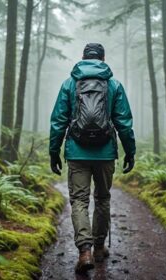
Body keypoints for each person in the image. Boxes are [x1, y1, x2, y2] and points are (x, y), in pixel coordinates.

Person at [49, 43, 136, 273]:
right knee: (103, 198)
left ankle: (84, 251)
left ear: (83, 58)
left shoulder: (70, 84)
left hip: (77, 152)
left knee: (79, 200)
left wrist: (53, 151)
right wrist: (130, 151)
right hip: (105, 152)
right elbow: (124, 123)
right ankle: (98, 248)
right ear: (102, 59)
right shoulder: (113, 85)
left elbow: (58, 120)